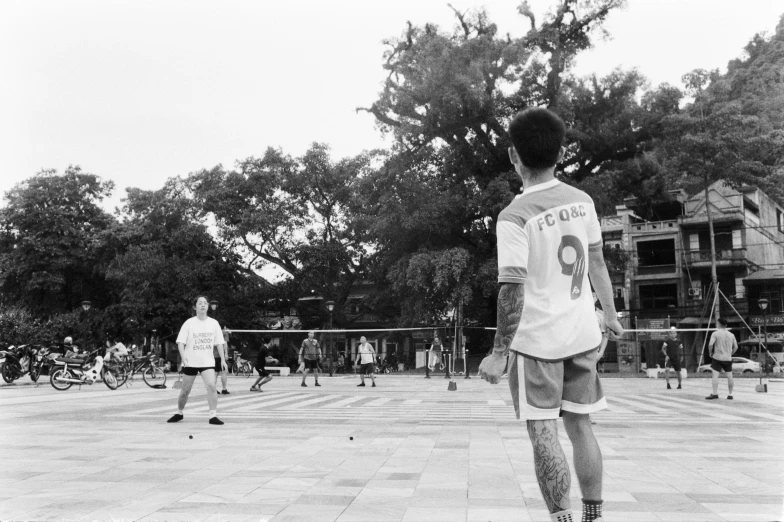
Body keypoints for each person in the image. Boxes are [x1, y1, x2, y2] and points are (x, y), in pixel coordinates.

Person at [479, 107, 623, 522]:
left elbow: (512, 287)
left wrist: (499, 351)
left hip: (536, 343)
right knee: (581, 426)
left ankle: (562, 519)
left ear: (513, 156)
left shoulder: (514, 217)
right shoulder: (582, 202)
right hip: (582, 335)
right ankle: (593, 517)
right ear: (560, 152)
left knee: (543, 432)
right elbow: (597, 262)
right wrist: (611, 315)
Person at [168, 296, 227, 425]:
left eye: (205, 303)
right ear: (195, 307)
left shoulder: (214, 323)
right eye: (200, 303)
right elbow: (180, 343)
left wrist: (223, 359)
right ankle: (179, 412)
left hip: (207, 362)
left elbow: (219, 343)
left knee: (211, 386)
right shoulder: (189, 323)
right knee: (185, 391)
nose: (203, 305)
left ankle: (213, 415)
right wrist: (183, 357)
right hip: (191, 362)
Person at [706, 318, 738, 400]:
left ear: (719, 324)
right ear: (726, 325)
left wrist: (710, 353)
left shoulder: (715, 333)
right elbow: (736, 347)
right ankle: (730, 394)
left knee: (715, 376)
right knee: (730, 376)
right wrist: (731, 353)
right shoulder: (731, 335)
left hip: (717, 358)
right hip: (728, 358)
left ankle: (715, 393)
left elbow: (710, 345)